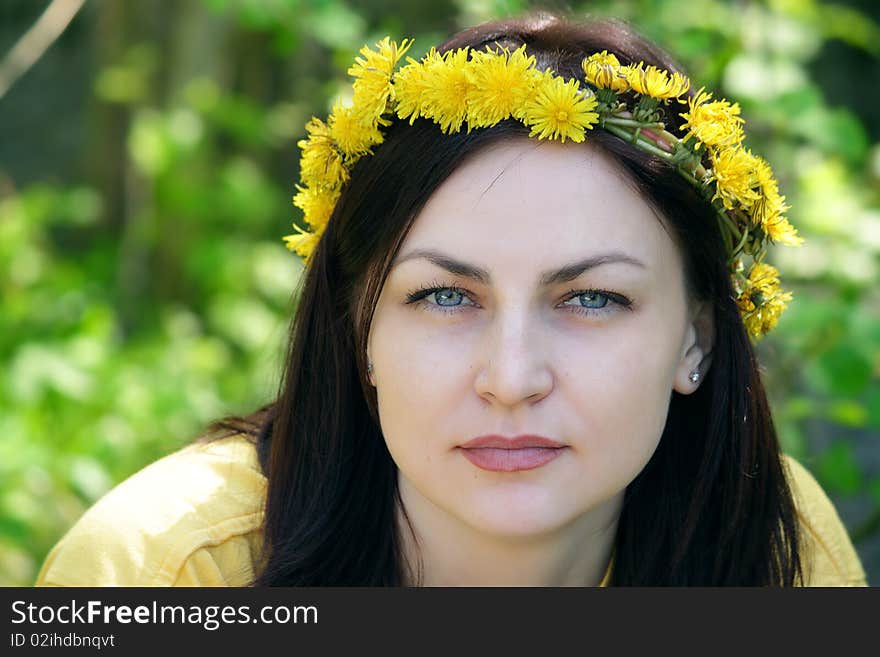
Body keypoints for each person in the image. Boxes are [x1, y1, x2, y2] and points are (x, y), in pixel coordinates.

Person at [36, 13, 868, 587]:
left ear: (699, 340)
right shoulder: (159, 572)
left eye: (592, 300)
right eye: (443, 295)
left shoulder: (773, 551)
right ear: (357, 328)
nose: (511, 379)